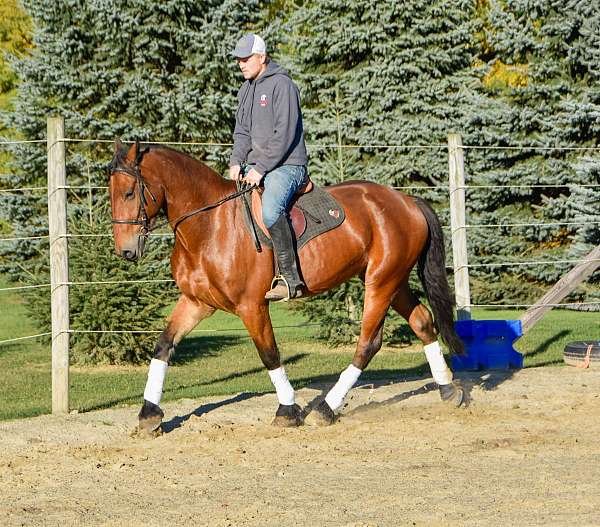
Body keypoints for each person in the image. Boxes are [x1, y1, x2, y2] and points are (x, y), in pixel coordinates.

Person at [229, 33, 309, 301]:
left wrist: (260, 168)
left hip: (288, 166)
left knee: (272, 209)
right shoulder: (245, 90)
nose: (241, 63)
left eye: (246, 58)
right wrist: (235, 161)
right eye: (239, 59)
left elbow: (284, 134)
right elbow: (241, 132)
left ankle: (290, 280)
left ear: (262, 57)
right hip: (257, 166)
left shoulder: (282, 85)